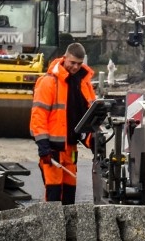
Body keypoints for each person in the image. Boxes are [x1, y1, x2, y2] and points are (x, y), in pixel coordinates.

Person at [30, 42, 96, 204]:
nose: (75, 67)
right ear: (64, 58)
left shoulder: (84, 83)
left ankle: (67, 228)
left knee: (69, 194)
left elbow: (88, 115)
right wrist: (43, 146)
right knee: (54, 195)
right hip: (53, 149)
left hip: (71, 149)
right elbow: (38, 116)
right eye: (72, 63)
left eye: (79, 64)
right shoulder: (48, 82)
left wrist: (92, 141)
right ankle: (53, 229)